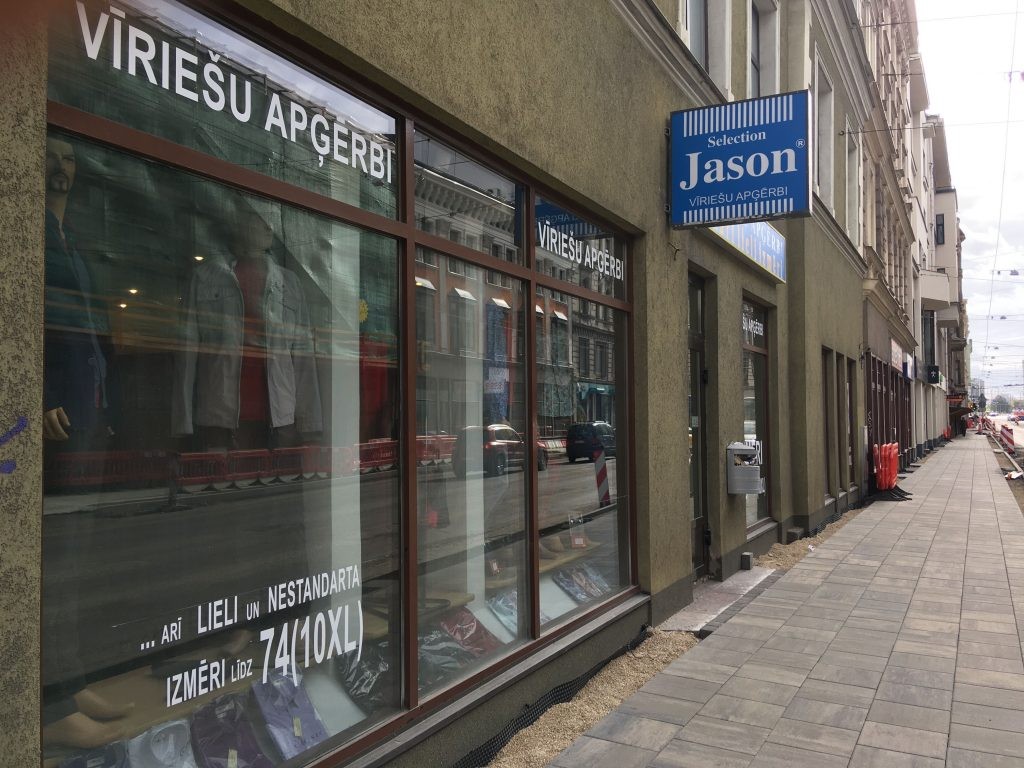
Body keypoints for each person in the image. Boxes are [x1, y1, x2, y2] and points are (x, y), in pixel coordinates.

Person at [41, 135, 133, 748]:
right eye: (51, 154)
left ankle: (69, 682)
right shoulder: (35, 232)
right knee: (52, 556)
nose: (60, 166)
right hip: (59, 412)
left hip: (88, 410)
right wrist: (41, 390)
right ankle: (50, 706)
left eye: (70, 158)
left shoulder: (71, 238)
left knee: (76, 558)